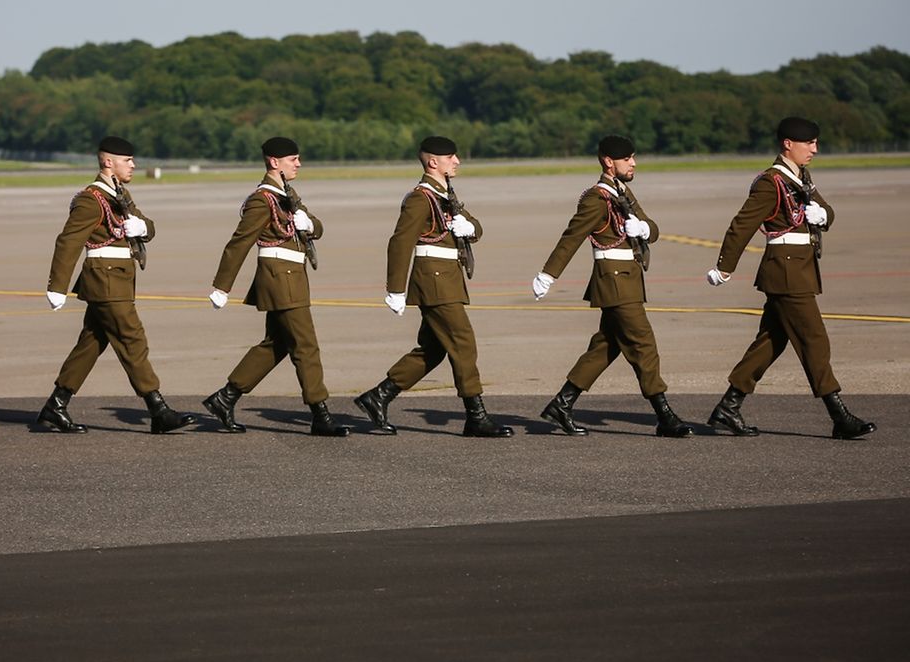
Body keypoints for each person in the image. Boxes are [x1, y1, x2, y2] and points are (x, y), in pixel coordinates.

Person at [704, 117, 875, 440]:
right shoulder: (771, 182)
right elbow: (741, 224)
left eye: (815, 142)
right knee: (814, 339)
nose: (815, 149)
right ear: (788, 144)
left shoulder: (801, 177)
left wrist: (824, 216)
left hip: (799, 269)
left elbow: (825, 209)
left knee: (770, 342)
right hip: (785, 272)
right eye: (809, 143)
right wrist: (725, 266)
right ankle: (839, 415)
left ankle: (729, 407)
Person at [530, 134, 692, 438]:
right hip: (614, 281)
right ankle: (665, 415)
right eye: (627, 158)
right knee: (644, 344)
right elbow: (572, 237)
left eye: (633, 157)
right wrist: (548, 274)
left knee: (606, 346)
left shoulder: (622, 192)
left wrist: (643, 228)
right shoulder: (597, 197)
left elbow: (652, 228)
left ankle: (561, 405)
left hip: (628, 279)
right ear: (608, 161)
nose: (633, 163)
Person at [354, 135, 512, 438]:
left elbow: (474, 226)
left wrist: (470, 228)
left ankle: (378, 397)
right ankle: (476, 416)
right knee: (463, 341)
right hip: (434, 280)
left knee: (434, 349)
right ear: (433, 162)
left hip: (447, 278)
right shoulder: (421, 197)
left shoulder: (444, 194)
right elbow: (400, 242)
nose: (457, 161)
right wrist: (395, 288)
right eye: (451, 157)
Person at [37, 136, 196, 434]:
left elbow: (148, 224)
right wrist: (56, 285)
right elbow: (68, 241)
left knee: (90, 344)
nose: (134, 165)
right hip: (105, 279)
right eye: (128, 160)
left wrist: (143, 228)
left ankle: (55, 406)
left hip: (118, 278)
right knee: (132, 339)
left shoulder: (119, 195)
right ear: (109, 162)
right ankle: (158, 409)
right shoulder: (91, 198)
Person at [202, 136, 348, 436]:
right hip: (280, 277)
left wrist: (310, 225)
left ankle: (225, 398)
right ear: (274, 162)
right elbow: (240, 242)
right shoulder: (262, 199)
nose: (298, 163)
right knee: (305, 346)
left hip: (292, 276)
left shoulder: (287, 194)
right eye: (293, 159)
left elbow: (316, 226)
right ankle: (320, 414)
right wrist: (222, 286)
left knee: (276, 344)